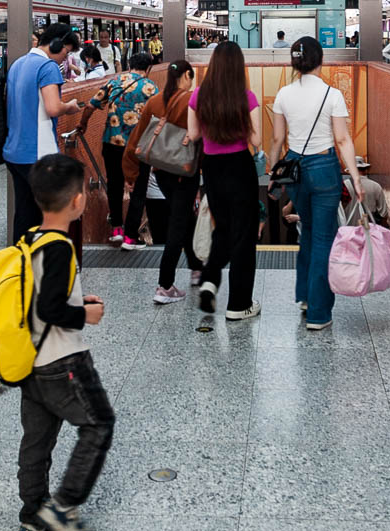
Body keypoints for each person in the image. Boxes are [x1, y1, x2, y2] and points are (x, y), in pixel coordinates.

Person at [14, 154, 114, 531]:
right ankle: (63, 506)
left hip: (32, 362)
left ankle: (32, 522)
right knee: (99, 424)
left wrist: (76, 299)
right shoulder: (60, 247)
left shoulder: (31, 239)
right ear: (77, 200)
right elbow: (50, 309)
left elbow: (38, 294)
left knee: (36, 444)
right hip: (63, 361)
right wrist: (84, 314)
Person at [268, 37, 366, 331]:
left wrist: (273, 173)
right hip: (324, 167)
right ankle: (319, 314)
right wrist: (356, 177)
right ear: (320, 60)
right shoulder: (332, 95)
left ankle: (305, 297)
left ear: (295, 62)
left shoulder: (284, 94)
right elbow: (342, 139)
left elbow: (277, 139)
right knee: (324, 238)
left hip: (295, 169)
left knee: (308, 232)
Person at [186, 41, 264, 319]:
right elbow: (257, 140)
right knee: (243, 235)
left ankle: (209, 280)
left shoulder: (198, 95)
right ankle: (239, 305)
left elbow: (193, 134)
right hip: (240, 166)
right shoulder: (247, 98)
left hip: (212, 168)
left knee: (222, 228)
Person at [3, 23, 88, 238]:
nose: (64, 59)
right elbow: (53, 108)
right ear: (57, 44)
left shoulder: (18, 64)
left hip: (14, 152)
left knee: (24, 213)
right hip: (38, 154)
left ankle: (21, 255)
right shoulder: (47, 67)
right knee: (47, 216)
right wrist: (69, 107)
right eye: (66, 53)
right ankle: (46, 255)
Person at [137, 60, 204, 302]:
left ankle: (196, 268)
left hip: (161, 170)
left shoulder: (154, 101)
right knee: (178, 222)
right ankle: (165, 286)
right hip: (184, 169)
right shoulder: (193, 100)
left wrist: (131, 174)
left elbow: (139, 137)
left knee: (185, 216)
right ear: (186, 75)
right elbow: (203, 135)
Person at [102, 52, 159, 247]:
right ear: (148, 68)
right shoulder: (150, 87)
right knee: (139, 189)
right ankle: (130, 237)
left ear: (129, 65)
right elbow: (160, 115)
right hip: (138, 146)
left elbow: (93, 104)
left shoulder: (114, 82)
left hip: (112, 142)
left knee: (114, 185)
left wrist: (82, 124)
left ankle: (117, 229)